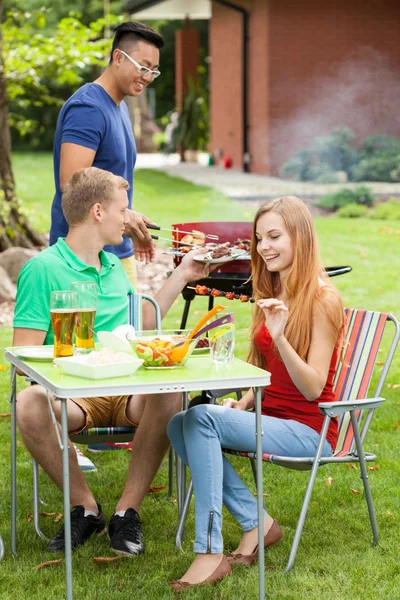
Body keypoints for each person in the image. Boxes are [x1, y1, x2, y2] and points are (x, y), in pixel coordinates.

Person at [13, 167, 211, 556]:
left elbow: (140, 329)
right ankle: (86, 509)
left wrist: (184, 274)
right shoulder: (43, 269)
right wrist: (76, 361)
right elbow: (22, 354)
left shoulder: (114, 270)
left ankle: (126, 511)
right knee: (27, 403)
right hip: (73, 395)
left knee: (170, 390)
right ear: (99, 211)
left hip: (125, 389)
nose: (129, 218)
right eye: (124, 209)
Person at [167, 196, 345, 590]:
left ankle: (210, 551)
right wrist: (245, 400)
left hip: (310, 430)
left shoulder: (322, 299)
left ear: (300, 236)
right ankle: (257, 524)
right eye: (259, 237)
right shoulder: (274, 287)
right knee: (179, 423)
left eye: (275, 236)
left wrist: (281, 337)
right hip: (268, 416)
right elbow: (264, 368)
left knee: (198, 418)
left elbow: (313, 386)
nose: (264, 247)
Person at [50, 21, 164, 287]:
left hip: (114, 253)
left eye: (154, 71)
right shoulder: (87, 108)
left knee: (127, 329)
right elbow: (71, 183)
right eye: (143, 67)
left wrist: (131, 220)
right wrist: (128, 216)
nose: (147, 77)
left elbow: (113, 181)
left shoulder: (120, 107)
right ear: (117, 58)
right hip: (82, 261)